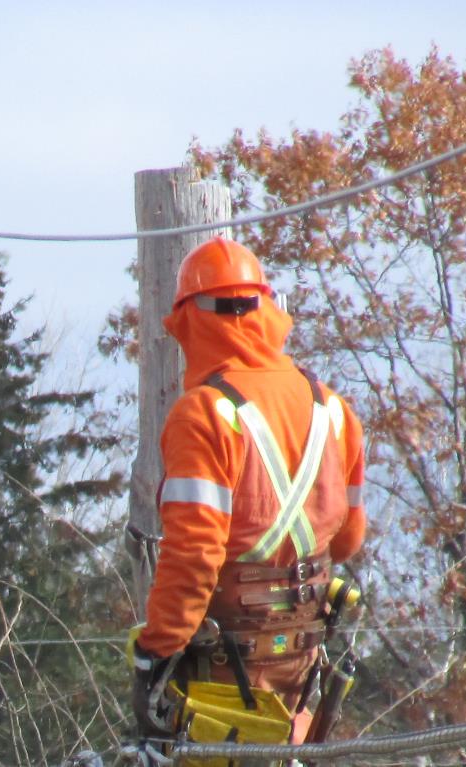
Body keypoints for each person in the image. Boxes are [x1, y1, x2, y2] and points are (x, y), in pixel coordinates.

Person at [130, 236, 368, 751]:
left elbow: (194, 557)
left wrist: (156, 649)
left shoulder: (204, 415)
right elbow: (347, 541)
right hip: (302, 670)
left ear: (191, 322)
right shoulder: (333, 409)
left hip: (225, 677)